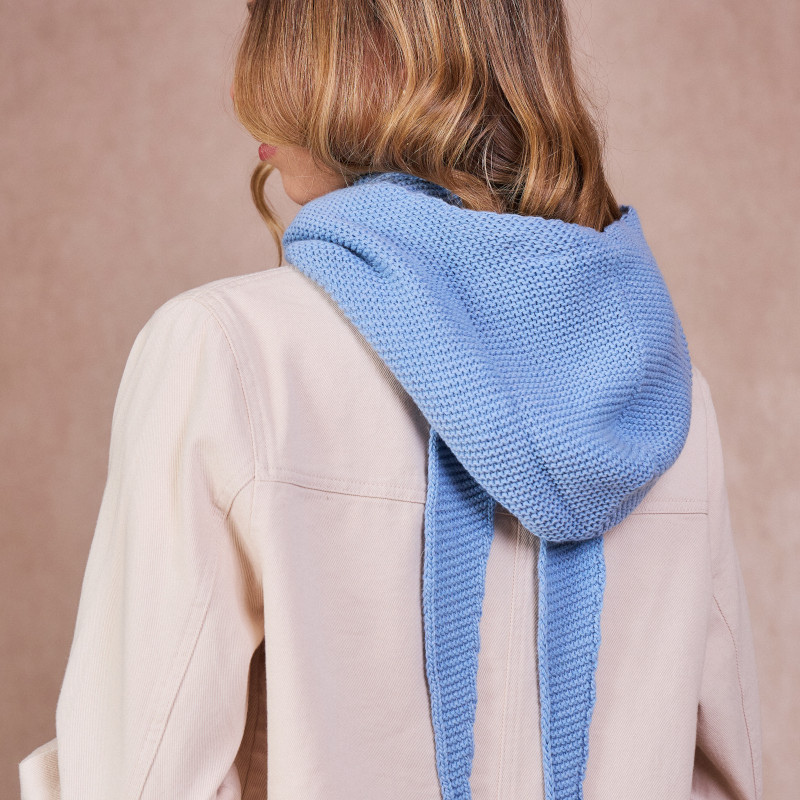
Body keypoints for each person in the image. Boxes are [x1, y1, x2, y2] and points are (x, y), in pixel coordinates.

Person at [19, 1, 763, 798]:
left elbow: (138, 778)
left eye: (279, 35)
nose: (243, 91)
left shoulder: (226, 353)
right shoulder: (667, 403)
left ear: (381, 54)